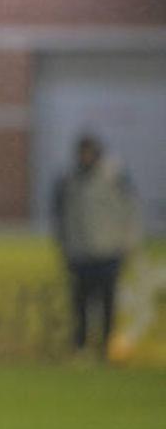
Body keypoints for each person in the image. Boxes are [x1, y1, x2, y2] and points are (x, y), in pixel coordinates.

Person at [52, 134, 142, 358]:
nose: (85, 157)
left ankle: (106, 347)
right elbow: (60, 217)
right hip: (79, 253)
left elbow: (131, 211)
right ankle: (80, 348)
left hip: (108, 251)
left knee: (107, 305)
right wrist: (65, 247)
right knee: (80, 305)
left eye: (89, 152)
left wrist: (128, 244)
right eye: (82, 153)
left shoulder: (114, 176)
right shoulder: (68, 180)